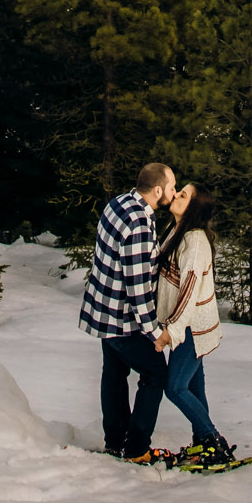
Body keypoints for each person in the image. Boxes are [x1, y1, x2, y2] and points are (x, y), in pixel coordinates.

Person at [79, 159, 176, 462]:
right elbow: (136, 287)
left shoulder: (119, 203)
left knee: (115, 372)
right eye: (172, 187)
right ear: (158, 190)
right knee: (156, 372)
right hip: (121, 318)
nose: (174, 192)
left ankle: (115, 439)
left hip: (102, 309)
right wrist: (155, 332)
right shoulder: (138, 225)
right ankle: (135, 448)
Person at [156, 184, 232, 468]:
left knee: (175, 388)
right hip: (182, 324)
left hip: (191, 328)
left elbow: (189, 290)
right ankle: (204, 443)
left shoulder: (195, 241)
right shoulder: (176, 233)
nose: (175, 195)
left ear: (193, 208)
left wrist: (171, 331)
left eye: (183, 195)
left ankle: (213, 442)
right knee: (194, 388)